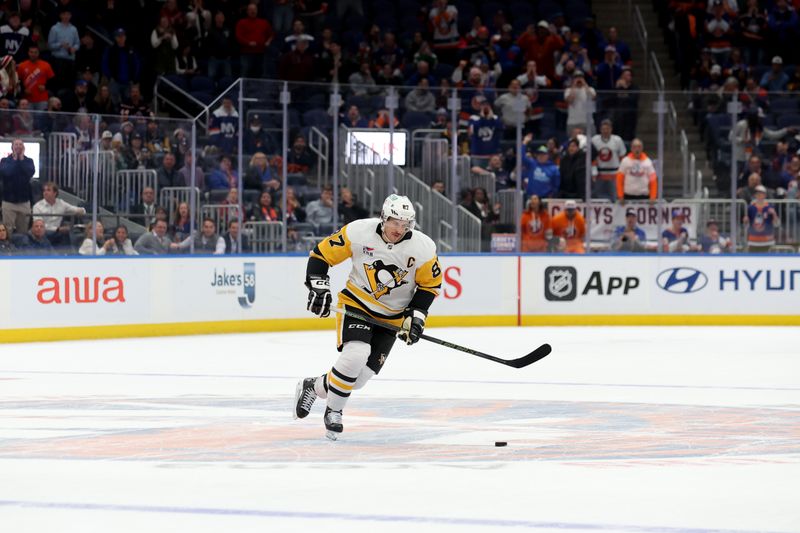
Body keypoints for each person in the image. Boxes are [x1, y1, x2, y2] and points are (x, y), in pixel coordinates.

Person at [294, 194, 442, 440]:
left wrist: (416, 317)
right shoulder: (358, 232)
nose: (399, 229)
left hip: (392, 318)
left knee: (359, 378)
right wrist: (318, 287)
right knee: (355, 355)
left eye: (405, 224)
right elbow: (320, 255)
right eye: (395, 222)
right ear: (384, 218)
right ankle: (334, 411)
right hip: (357, 305)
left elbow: (429, 285)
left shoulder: (423, 248)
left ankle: (314, 386)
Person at [32, 181, 85, 246]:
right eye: (44, 190)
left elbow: (75, 209)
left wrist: (82, 210)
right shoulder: (37, 206)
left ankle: (68, 254)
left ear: (55, 193)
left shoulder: (61, 203)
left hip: (58, 232)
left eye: (48, 190)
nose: (45, 193)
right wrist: (57, 229)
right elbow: (38, 225)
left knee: (68, 233)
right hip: (44, 232)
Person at [0, 138, 35, 234]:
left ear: (23, 147)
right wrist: (15, 159)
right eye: (16, 144)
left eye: (20, 144)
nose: (18, 146)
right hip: (8, 202)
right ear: (12, 147)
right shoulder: (4, 161)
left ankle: (22, 248)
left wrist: (21, 159)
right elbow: (7, 172)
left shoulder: (29, 161)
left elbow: (29, 172)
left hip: (24, 202)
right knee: (7, 230)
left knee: (23, 230)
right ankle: (7, 248)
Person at [591, 119, 627, 201]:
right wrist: (593, 171)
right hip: (599, 174)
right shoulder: (594, 140)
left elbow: (622, 157)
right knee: (597, 198)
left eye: (607, 129)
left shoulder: (617, 140)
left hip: (614, 173)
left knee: (615, 198)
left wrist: (622, 173)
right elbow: (592, 157)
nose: (605, 131)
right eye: (603, 129)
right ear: (600, 129)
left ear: (611, 129)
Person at [616, 138, 657, 203]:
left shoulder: (648, 162)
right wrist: (620, 196)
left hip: (644, 196)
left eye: (639, 147)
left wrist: (653, 196)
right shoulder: (625, 161)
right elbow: (619, 179)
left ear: (642, 148)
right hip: (628, 196)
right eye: (634, 147)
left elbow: (653, 181)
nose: (637, 149)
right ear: (631, 148)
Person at [16, 44, 54, 110]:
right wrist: (23, 90)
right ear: (28, 53)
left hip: (42, 99)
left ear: (38, 53)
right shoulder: (22, 65)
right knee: (28, 119)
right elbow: (18, 81)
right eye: (31, 52)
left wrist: (45, 87)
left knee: (41, 119)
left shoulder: (46, 65)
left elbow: (52, 80)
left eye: (35, 52)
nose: (33, 54)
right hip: (27, 99)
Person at [743, 185, 779, 253]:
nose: (759, 195)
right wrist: (745, 221)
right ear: (755, 195)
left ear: (765, 195)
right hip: (753, 241)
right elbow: (746, 226)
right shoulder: (750, 208)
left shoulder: (770, 207)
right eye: (757, 193)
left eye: (761, 193)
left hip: (767, 241)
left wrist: (774, 214)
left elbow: (776, 224)